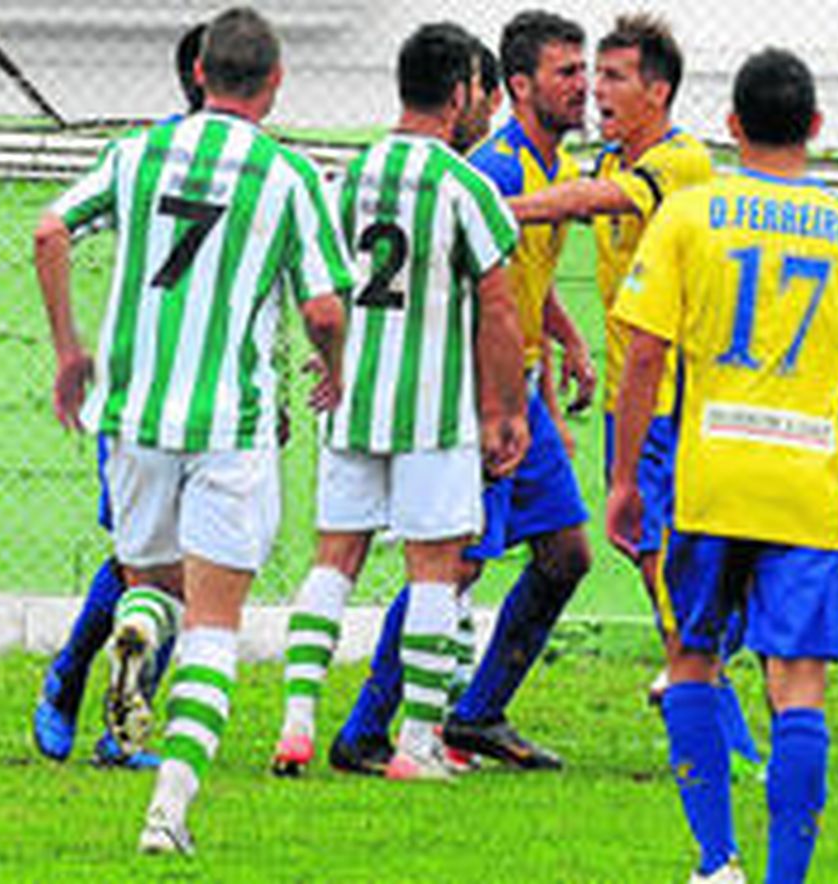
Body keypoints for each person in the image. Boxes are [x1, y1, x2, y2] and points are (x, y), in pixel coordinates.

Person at [33, 7, 353, 854]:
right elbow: (323, 305)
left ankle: (135, 626)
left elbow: (49, 228)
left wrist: (70, 349)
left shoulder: (136, 154)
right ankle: (167, 814)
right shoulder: (290, 178)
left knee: (154, 583)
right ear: (275, 84)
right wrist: (335, 362)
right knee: (216, 621)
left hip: (134, 413)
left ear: (200, 74)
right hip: (231, 423)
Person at [607, 47, 838, 883]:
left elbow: (644, 360)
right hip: (810, 483)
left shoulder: (691, 215)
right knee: (800, 682)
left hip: (710, 477)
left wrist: (627, 479)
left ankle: (716, 863)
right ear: (816, 128)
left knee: (692, 658)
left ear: (732, 126)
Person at [327, 9, 595, 774]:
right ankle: (366, 731)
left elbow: (508, 276)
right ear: (517, 86)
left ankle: (477, 714)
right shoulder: (496, 168)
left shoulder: (552, 166)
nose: (581, 87)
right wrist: (495, 408)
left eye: (586, 71)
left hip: (527, 385)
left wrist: (568, 338)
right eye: (566, 73)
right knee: (454, 563)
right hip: (484, 392)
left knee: (566, 554)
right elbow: (476, 289)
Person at [269, 22, 531, 781]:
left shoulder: (347, 174)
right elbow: (500, 310)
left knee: (334, 558)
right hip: (434, 410)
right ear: (459, 94)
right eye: (482, 91)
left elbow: (315, 283)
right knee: (434, 569)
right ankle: (417, 742)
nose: (483, 106)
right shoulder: (465, 185)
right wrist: (505, 410)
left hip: (350, 399)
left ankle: (295, 722)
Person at [498, 12, 758, 763]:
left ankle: (707, 705)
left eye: (611, 78)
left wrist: (499, 207)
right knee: (662, 563)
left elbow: (586, 204)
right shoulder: (613, 159)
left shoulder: (679, 164)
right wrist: (569, 340)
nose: (594, 92)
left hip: (676, 395)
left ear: (658, 90)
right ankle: (708, 709)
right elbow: (556, 242)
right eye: (590, 75)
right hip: (635, 398)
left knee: (670, 566)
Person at [31, 21, 206, 771]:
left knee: (190, 563)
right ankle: (71, 683)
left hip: (222, 400)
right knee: (146, 564)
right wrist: (71, 346)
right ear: (206, 72)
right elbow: (55, 229)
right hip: (140, 393)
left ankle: (114, 725)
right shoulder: (139, 157)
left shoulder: (268, 165)